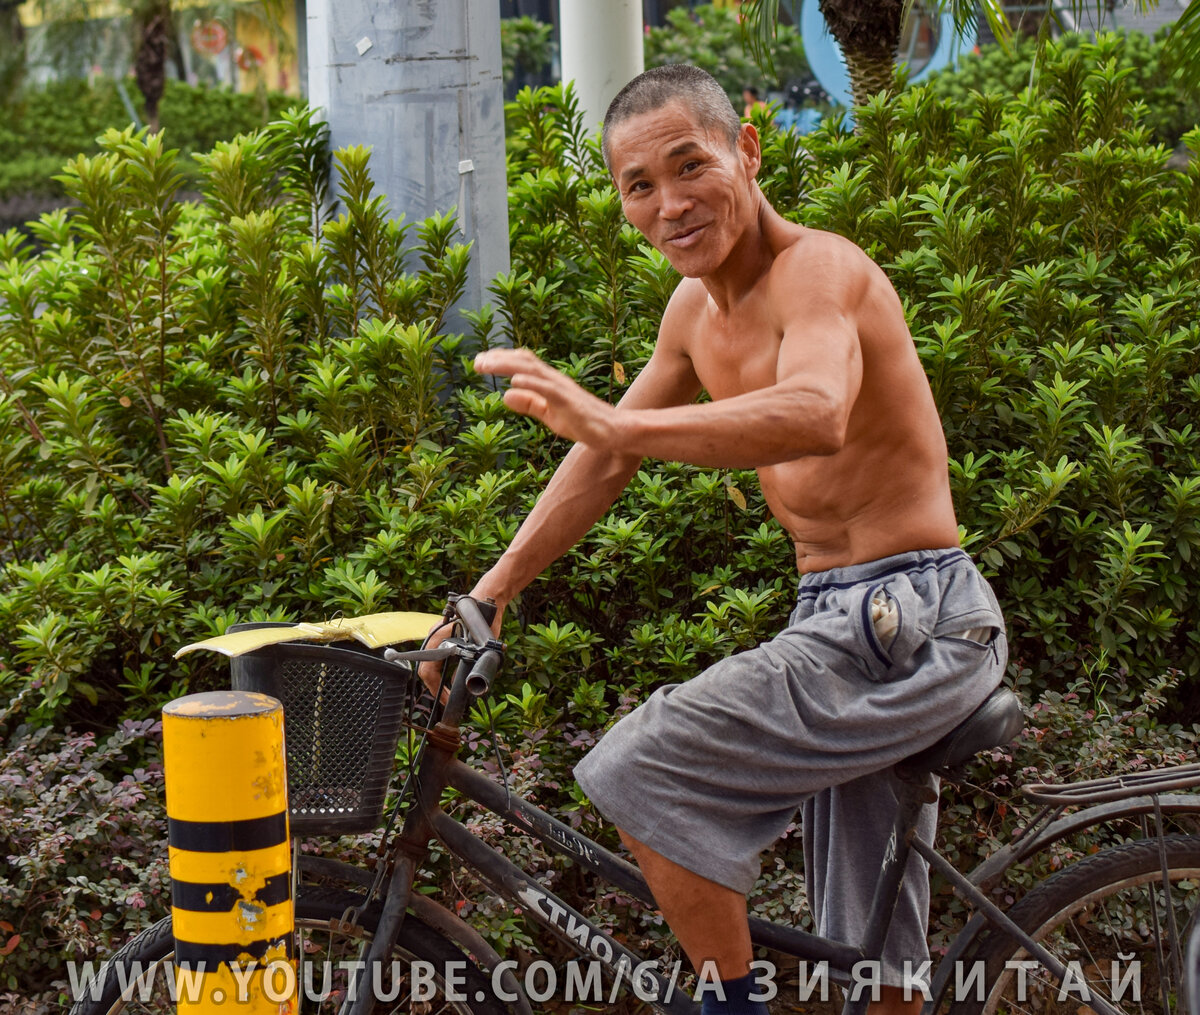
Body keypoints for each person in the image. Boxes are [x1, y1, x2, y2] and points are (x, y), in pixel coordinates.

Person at [424, 64, 1007, 1015]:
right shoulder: (693, 314)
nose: (669, 204)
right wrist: (490, 592)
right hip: (844, 621)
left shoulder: (818, 269)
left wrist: (615, 425)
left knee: (637, 764)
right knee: (867, 960)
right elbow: (604, 462)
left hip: (912, 617)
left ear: (748, 150)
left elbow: (816, 410)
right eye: (638, 186)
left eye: (689, 166)